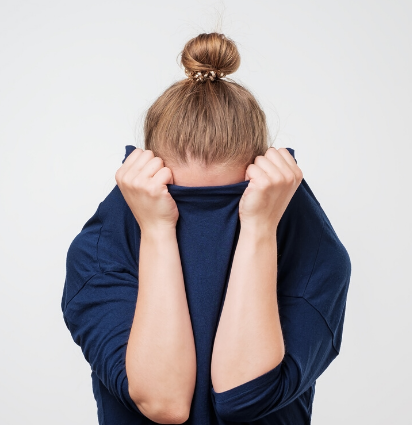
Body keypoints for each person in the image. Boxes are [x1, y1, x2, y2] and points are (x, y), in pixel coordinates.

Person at [61, 32, 351, 425]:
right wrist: (158, 230)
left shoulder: (315, 255)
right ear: (144, 184)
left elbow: (244, 396)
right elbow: (164, 403)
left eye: (228, 204)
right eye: (180, 200)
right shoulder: (100, 253)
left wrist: (260, 227)